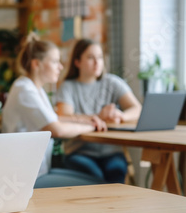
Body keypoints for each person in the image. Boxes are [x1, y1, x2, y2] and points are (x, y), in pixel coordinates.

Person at [2, 33, 106, 188]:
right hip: (27, 179)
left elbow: (54, 118)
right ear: (36, 64)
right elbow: (57, 130)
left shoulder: (35, 88)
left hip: (39, 171)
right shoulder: (25, 90)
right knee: (101, 187)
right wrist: (91, 126)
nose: (61, 67)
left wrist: (89, 118)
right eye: (55, 61)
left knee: (103, 182)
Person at [56, 38, 142, 183]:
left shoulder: (112, 82)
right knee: (95, 178)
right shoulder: (68, 86)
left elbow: (137, 108)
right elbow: (64, 116)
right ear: (77, 62)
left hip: (111, 152)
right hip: (79, 151)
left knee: (117, 173)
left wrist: (120, 115)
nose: (97, 63)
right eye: (90, 58)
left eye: (100, 57)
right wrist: (98, 117)